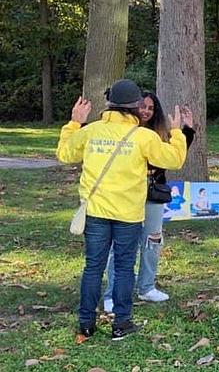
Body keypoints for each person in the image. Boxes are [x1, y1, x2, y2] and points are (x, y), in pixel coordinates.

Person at [56, 80, 188, 341]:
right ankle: (121, 323)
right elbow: (174, 159)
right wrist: (176, 132)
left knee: (93, 267)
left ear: (109, 104)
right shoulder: (144, 137)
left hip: (95, 212)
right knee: (125, 268)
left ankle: (86, 324)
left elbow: (64, 154)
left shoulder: (91, 131)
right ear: (137, 107)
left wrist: (74, 123)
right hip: (128, 215)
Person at [103, 92, 195, 312]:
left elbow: (175, 155)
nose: (145, 111)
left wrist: (187, 131)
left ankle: (146, 286)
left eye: (151, 108)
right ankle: (112, 293)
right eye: (142, 106)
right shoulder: (122, 131)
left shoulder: (158, 134)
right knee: (121, 245)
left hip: (153, 195)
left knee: (153, 240)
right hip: (126, 195)